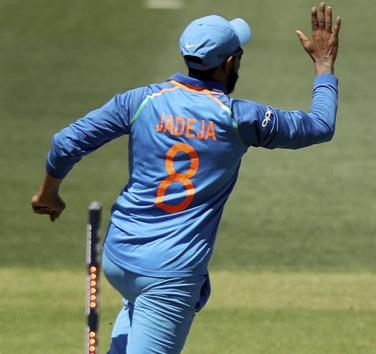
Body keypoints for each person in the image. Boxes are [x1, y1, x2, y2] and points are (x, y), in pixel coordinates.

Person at [31, 3, 341, 353]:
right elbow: (320, 126)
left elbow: (66, 142)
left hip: (120, 257)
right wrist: (323, 66)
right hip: (169, 274)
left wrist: (48, 193)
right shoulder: (239, 118)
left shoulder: (141, 101)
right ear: (228, 63)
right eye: (238, 53)